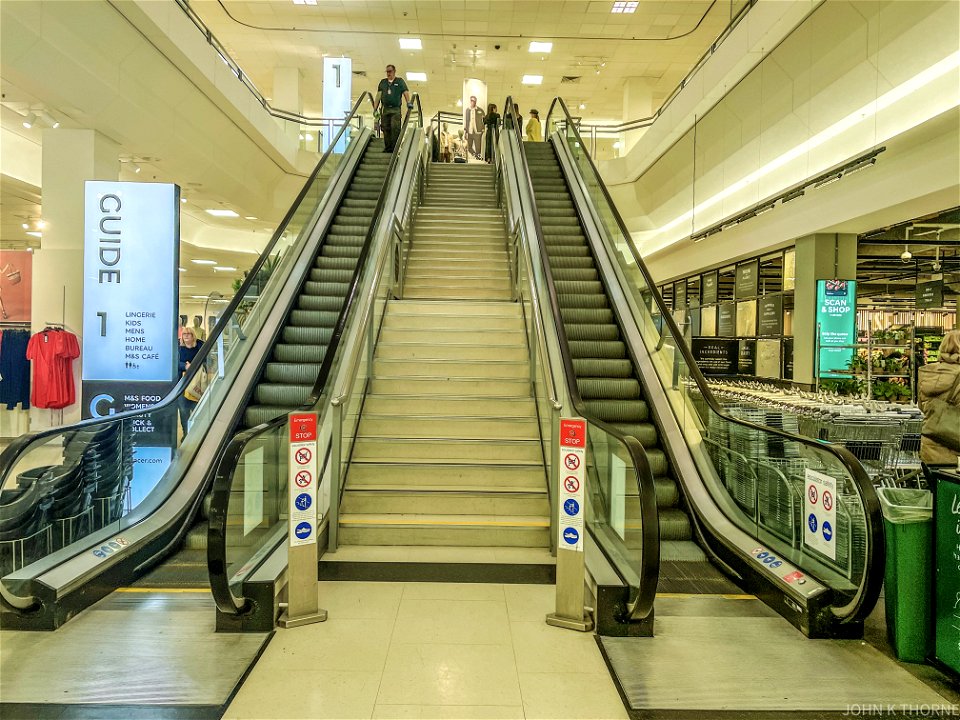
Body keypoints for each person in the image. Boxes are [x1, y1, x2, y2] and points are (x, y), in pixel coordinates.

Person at [918, 329, 960, 466]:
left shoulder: (926, 372)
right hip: (955, 447)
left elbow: (922, 406)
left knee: (936, 486)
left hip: (930, 446)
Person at [374, 65, 412, 153]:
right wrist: (375, 108)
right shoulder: (383, 83)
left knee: (395, 127)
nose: (388, 73)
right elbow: (378, 95)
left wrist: (408, 102)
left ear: (394, 71)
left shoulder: (400, 81)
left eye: (390, 71)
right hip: (385, 109)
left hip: (395, 109)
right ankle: (388, 148)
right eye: (387, 72)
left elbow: (405, 92)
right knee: (385, 128)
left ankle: (395, 147)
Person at [178, 327, 204, 436]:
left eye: (189, 334)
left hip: (198, 383)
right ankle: (186, 434)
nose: (186, 336)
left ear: (193, 335)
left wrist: (195, 366)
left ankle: (198, 434)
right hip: (182, 384)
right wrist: (185, 366)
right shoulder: (178, 348)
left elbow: (208, 360)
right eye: (184, 334)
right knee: (183, 411)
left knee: (198, 411)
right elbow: (174, 362)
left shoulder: (200, 345)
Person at [463, 95, 484, 160]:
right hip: (470, 131)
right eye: (471, 100)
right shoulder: (467, 110)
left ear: (475, 101)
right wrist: (466, 131)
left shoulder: (480, 110)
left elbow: (483, 120)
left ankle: (478, 158)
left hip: (477, 131)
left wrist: (483, 129)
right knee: (469, 147)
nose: (472, 102)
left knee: (478, 147)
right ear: (470, 101)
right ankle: (475, 155)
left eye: (474, 101)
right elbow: (467, 121)